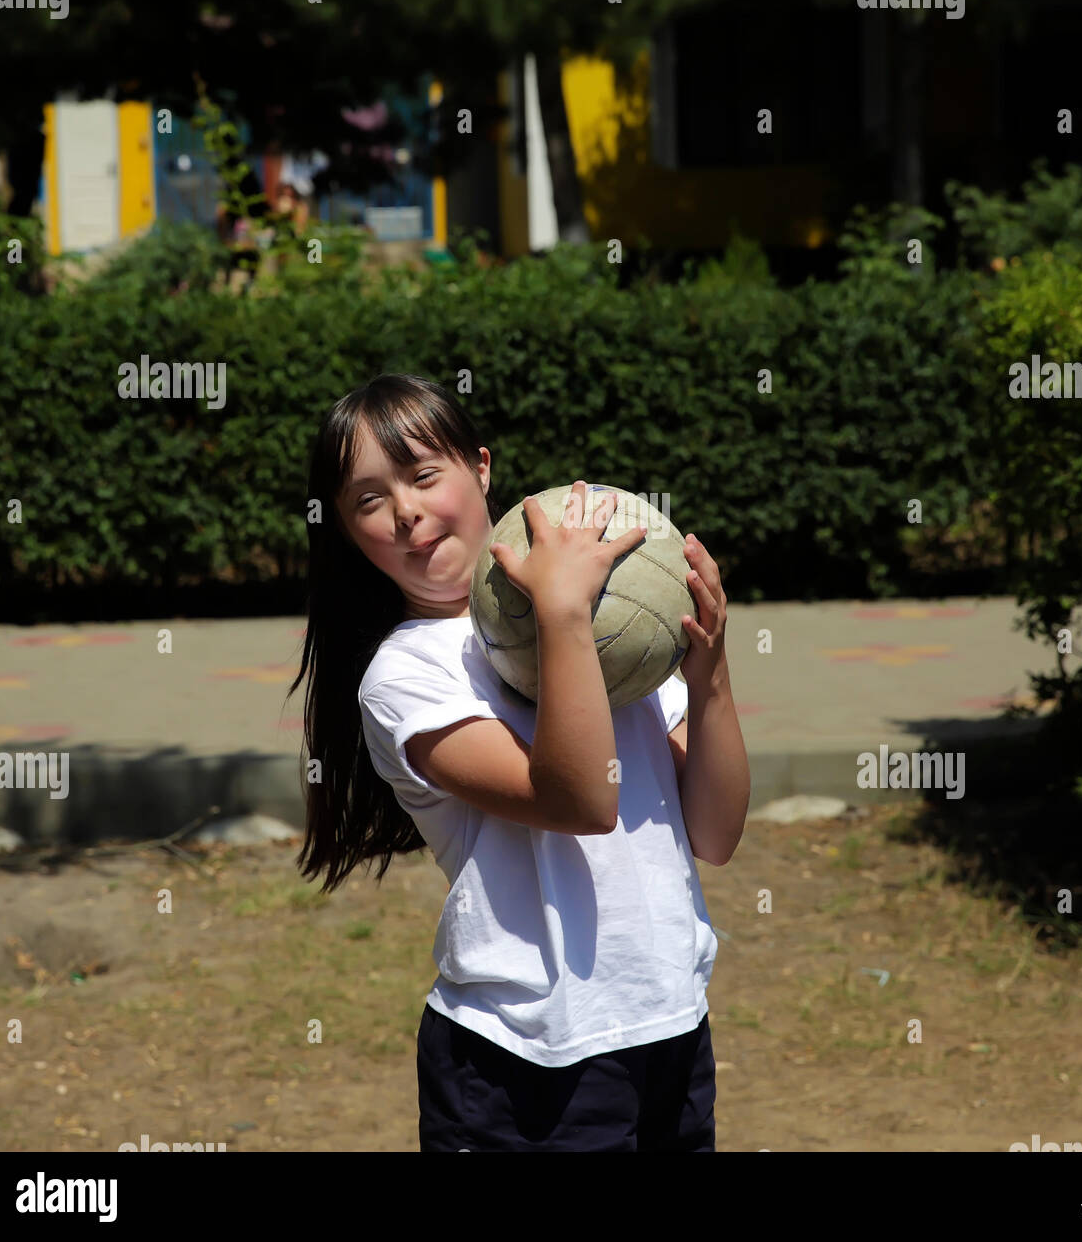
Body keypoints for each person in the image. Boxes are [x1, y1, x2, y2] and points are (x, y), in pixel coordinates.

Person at [289, 372, 747, 1151]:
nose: (405, 511)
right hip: (523, 1065)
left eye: (425, 475)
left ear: (482, 470)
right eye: (369, 500)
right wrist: (563, 615)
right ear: (344, 529)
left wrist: (710, 680)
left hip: (670, 1028)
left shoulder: (615, 628)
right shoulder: (405, 678)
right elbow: (577, 801)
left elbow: (717, 831)